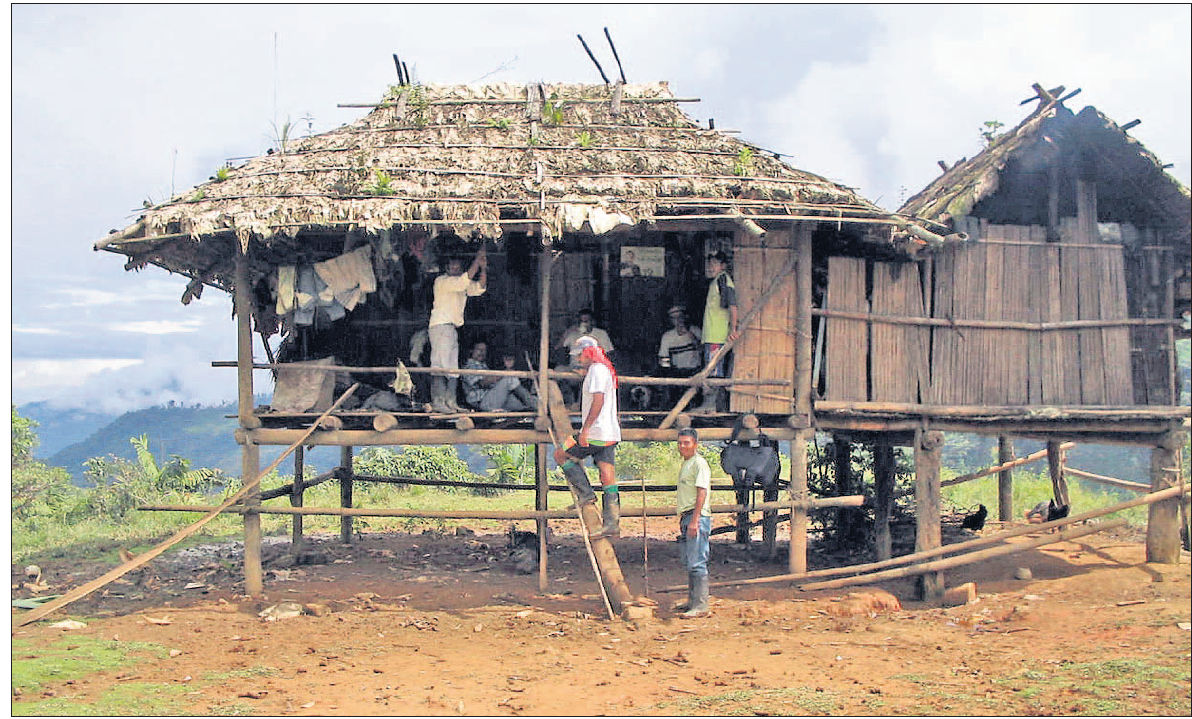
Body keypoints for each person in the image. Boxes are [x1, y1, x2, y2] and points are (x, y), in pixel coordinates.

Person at [554, 335, 622, 539]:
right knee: (607, 475)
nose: (577, 359)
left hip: (595, 432)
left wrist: (585, 430)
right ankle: (612, 522)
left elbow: (598, 401)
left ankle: (585, 494)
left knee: (560, 454)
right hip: (609, 432)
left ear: (588, 353)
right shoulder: (603, 369)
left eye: (580, 356)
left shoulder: (597, 371)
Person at [427, 245, 487, 413]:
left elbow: (479, 288)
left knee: (452, 366)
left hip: (450, 327)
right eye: (451, 266)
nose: (454, 268)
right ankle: (438, 401)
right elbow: (463, 281)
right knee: (440, 364)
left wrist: (482, 268)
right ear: (446, 268)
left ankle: (451, 402)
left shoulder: (461, 283)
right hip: (440, 325)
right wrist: (477, 260)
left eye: (457, 266)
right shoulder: (442, 281)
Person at [674, 428, 712, 618]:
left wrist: (695, 520)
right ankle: (692, 601)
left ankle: (701, 606)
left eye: (687, 443)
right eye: (680, 443)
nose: (683, 446)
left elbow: (702, 492)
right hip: (688, 516)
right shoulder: (687, 463)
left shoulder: (699, 464)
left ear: (695, 445)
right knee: (690, 560)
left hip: (697, 516)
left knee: (697, 561)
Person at [695, 251, 738, 413]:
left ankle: (712, 405)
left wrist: (733, 329)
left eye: (714, 264)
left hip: (717, 336)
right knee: (712, 368)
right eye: (709, 264)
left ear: (723, 266)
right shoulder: (716, 282)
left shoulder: (723, 280)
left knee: (714, 370)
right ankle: (711, 404)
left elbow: (733, 306)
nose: (710, 267)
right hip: (712, 335)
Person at [461, 341, 535, 411]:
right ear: (471, 351)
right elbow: (482, 383)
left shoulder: (483, 366)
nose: (482, 352)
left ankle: (531, 406)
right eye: (479, 349)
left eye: (484, 350)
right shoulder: (469, 367)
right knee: (509, 378)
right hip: (483, 403)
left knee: (517, 404)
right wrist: (505, 373)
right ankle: (534, 404)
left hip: (493, 399)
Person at [657, 305, 703, 407]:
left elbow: (703, 351)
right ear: (671, 321)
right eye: (674, 318)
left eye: (680, 317)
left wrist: (691, 336)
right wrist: (668, 374)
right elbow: (664, 359)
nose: (678, 321)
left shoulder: (695, 331)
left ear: (685, 317)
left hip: (695, 371)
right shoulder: (667, 337)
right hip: (677, 372)